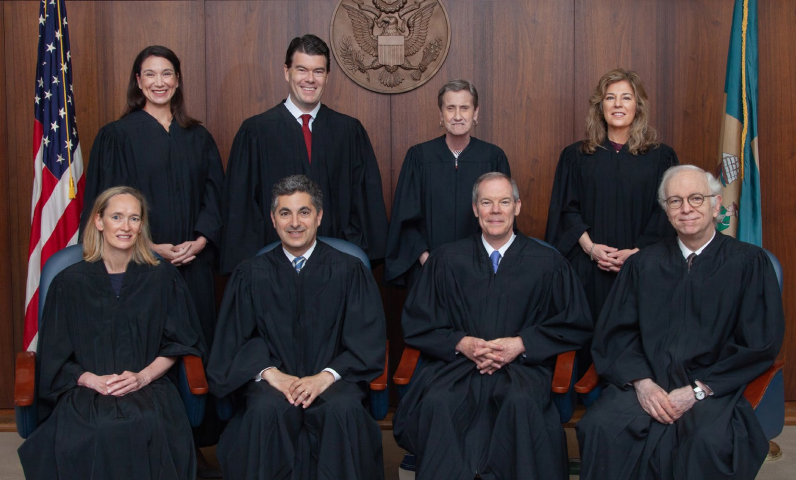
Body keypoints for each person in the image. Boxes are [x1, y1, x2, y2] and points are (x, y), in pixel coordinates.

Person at [577, 165, 784, 480]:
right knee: (601, 427)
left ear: (716, 205)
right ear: (666, 210)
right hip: (650, 382)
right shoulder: (642, 265)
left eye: (696, 198)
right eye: (675, 201)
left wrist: (697, 391)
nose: (686, 209)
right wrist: (643, 385)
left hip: (714, 388)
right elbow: (616, 335)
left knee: (707, 441)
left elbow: (759, 343)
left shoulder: (749, 264)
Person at [78, 45, 225, 471]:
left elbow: (217, 196)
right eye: (150, 74)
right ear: (138, 82)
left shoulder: (197, 136)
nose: (159, 82)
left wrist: (200, 240)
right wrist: (150, 244)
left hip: (192, 264)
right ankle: (143, 438)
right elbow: (108, 202)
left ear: (178, 81)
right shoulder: (117, 135)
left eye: (167, 74)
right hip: (138, 266)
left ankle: (191, 444)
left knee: (194, 346)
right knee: (146, 348)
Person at [393, 172, 593, 480]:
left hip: (522, 368)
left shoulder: (548, 263)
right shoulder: (446, 259)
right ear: (475, 209)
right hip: (457, 366)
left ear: (517, 207)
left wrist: (520, 344)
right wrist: (461, 343)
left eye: (504, 202)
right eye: (487, 202)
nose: (495, 211)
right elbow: (418, 321)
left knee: (520, 402)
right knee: (439, 401)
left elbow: (574, 323)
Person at [18, 186, 205, 480]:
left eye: (134, 218)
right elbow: (54, 356)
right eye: (117, 217)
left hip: (148, 385)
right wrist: (92, 380)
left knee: (148, 424)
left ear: (142, 225)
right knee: (95, 430)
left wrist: (142, 376)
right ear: (99, 221)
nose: (126, 226)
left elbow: (181, 343)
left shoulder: (163, 277)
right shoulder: (69, 283)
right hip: (85, 390)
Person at [208, 175, 387, 479]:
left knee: (342, 411)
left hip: (334, 382)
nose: (295, 223)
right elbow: (233, 340)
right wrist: (271, 374)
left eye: (304, 212)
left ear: (319, 216)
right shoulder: (250, 274)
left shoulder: (349, 270)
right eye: (285, 213)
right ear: (273, 219)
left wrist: (324, 378)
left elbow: (366, 340)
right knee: (264, 412)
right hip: (272, 385)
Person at [220, 34, 388, 274]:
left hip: (337, 267)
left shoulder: (349, 132)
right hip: (274, 269)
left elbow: (364, 202)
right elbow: (242, 206)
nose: (310, 79)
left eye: (318, 71)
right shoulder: (255, 132)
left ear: (327, 76)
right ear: (286, 72)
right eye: (302, 70)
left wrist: (349, 251)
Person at [545, 68, 679, 334]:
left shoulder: (661, 157)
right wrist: (591, 248)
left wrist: (637, 253)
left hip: (644, 267)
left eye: (626, 98)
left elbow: (666, 212)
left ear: (638, 106)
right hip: (588, 267)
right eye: (610, 98)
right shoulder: (576, 156)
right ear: (600, 106)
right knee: (585, 337)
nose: (618, 104)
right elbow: (566, 209)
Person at [385, 79, 511, 287]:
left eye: (465, 108)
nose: (458, 116)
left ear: (475, 113)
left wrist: (482, 262)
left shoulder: (493, 157)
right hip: (427, 268)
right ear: (441, 114)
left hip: (480, 270)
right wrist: (427, 260)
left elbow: (502, 216)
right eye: (450, 108)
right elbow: (405, 217)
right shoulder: (419, 157)